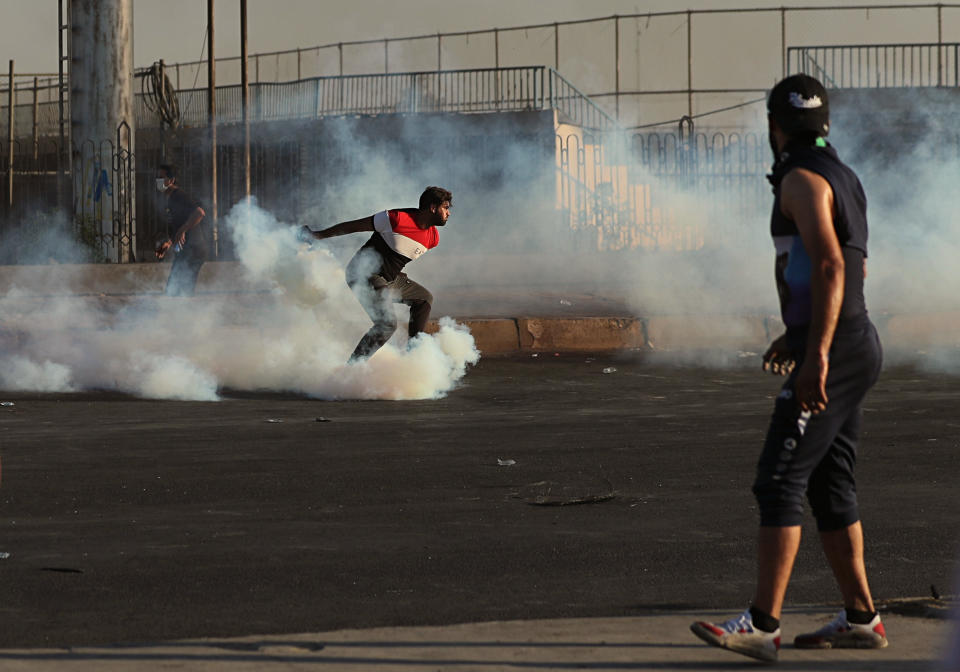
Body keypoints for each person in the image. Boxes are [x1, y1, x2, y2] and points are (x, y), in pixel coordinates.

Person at [690, 74, 886, 662]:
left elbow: (829, 268)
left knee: (779, 480)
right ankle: (862, 619)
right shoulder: (842, 176)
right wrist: (798, 333)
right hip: (852, 341)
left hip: (839, 351)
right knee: (831, 486)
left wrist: (816, 353)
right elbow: (856, 271)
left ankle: (762, 624)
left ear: (776, 127)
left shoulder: (800, 179)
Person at [300, 186, 451, 361]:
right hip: (362, 274)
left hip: (388, 279)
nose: (448, 213)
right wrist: (317, 235)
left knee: (424, 299)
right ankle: (352, 369)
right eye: (445, 208)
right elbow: (353, 226)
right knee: (387, 325)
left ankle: (414, 357)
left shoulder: (433, 238)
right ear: (433, 208)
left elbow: (397, 257)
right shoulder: (395, 218)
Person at [155, 164, 208, 296]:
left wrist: (183, 229)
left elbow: (200, 213)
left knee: (177, 291)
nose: (158, 180)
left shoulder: (179, 195)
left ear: (171, 180)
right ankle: (182, 315)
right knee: (176, 291)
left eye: (161, 177)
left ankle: (187, 315)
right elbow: (179, 226)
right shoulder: (171, 199)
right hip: (187, 250)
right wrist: (169, 243)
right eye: (157, 177)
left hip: (193, 249)